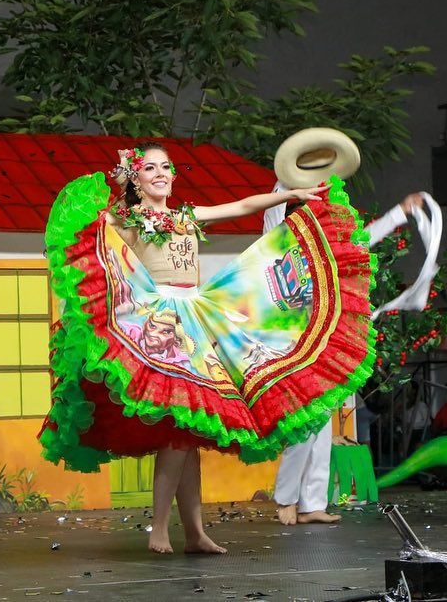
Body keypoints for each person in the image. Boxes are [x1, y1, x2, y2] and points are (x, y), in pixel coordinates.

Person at [38, 141, 377, 555]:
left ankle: (195, 533)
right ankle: (159, 529)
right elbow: (94, 227)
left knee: (188, 437)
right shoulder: (129, 219)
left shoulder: (185, 216)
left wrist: (292, 194)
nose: (160, 174)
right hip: (160, 325)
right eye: (150, 168)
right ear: (137, 177)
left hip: (196, 319)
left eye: (166, 167)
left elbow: (241, 206)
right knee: (177, 439)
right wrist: (111, 194)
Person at [275, 193, 428, 525]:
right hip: (294, 348)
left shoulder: (328, 250)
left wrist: (400, 212)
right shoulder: (280, 249)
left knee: (321, 428)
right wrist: (286, 185)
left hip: (325, 344)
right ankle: (286, 498)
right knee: (305, 425)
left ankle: (312, 504)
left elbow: (364, 239)